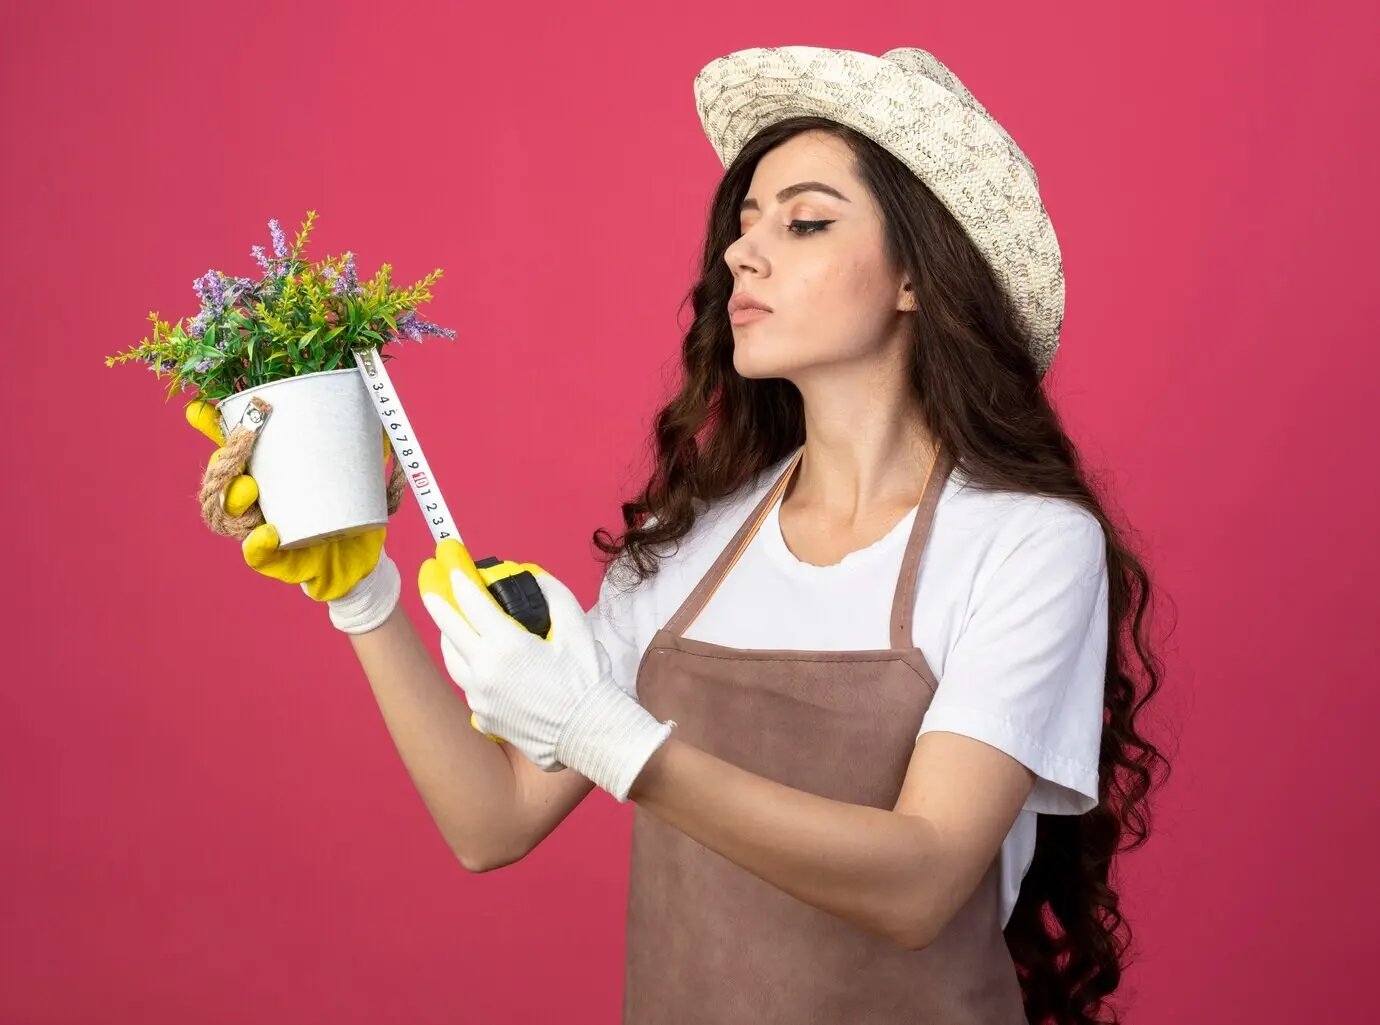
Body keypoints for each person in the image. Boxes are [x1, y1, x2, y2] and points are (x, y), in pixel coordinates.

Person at [187, 45, 1168, 1025]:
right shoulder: (700, 538)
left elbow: (920, 881)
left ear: (917, 275)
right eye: (745, 225)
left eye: (807, 222)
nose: (744, 251)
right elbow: (492, 820)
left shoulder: (1026, 543)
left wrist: (614, 739)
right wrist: (364, 596)